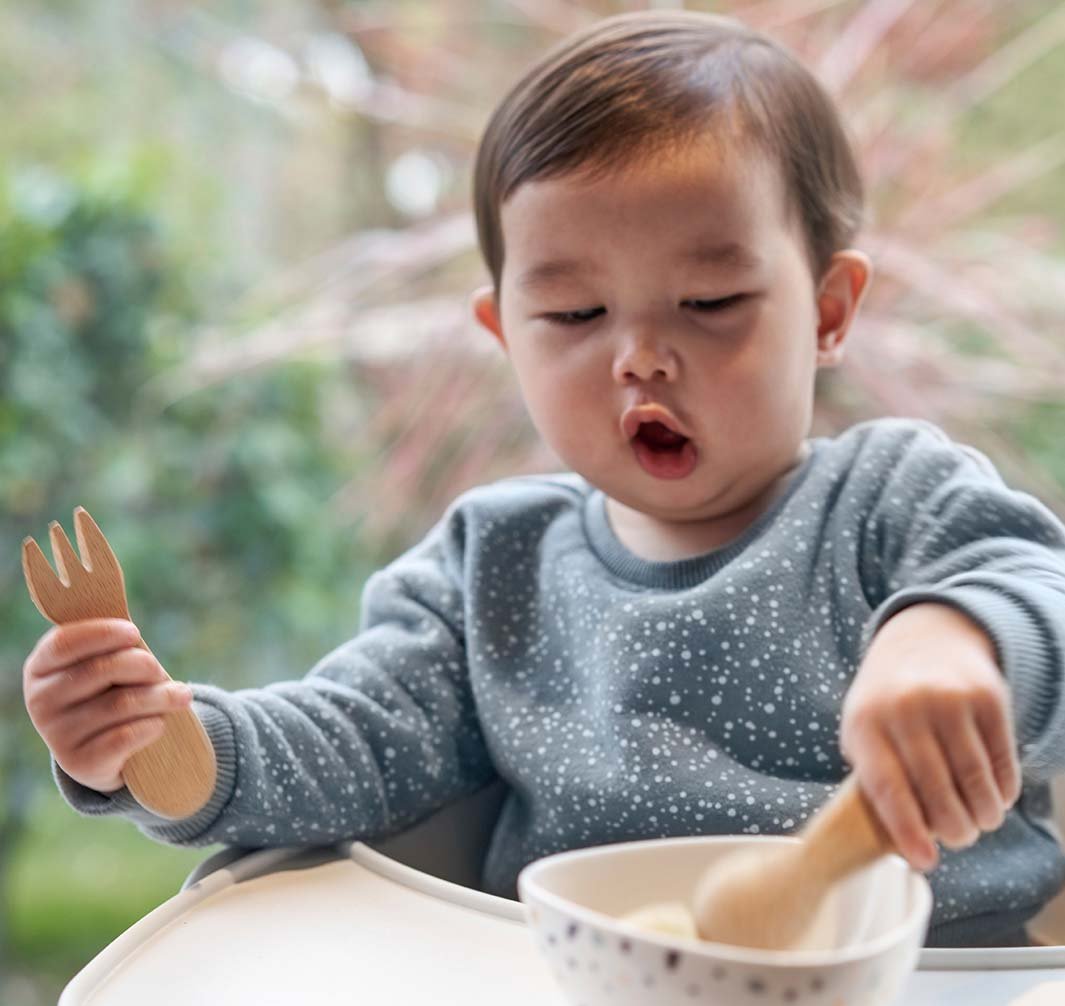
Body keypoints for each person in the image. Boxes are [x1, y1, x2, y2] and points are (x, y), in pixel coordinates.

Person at [21, 10, 1065, 948]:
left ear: (830, 310)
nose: (640, 357)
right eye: (574, 316)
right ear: (505, 335)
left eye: (709, 301)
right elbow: (353, 744)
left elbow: (1029, 588)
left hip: (937, 988)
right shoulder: (495, 562)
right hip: (577, 1005)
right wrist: (161, 743)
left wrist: (956, 637)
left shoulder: (891, 495)